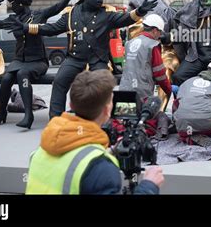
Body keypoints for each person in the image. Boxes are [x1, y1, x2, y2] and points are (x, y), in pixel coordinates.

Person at [5, 0, 158, 119]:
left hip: (97, 59)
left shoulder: (107, 14)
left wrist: (140, 11)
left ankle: (103, 118)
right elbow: (51, 28)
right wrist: (26, 27)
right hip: (74, 59)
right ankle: (55, 119)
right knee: (59, 81)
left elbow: (125, 19)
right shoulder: (71, 14)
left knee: (102, 84)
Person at [26, 70, 164, 194]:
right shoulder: (100, 167)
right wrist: (148, 186)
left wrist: (108, 152)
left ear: (71, 105)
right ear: (106, 110)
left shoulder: (42, 149)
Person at [0, 0, 77, 129]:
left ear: (20, 3)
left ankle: (28, 115)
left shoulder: (38, 15)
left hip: (37, 61)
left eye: (12, 3)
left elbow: (59, 6)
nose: (11, 6)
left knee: (23, 74)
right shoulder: (13, 19)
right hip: (19, 60)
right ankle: (2, 112)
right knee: (7, 78)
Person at [118, 14, 172, 137]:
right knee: (150, 120)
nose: (160, 36)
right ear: (154, 30)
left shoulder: (129, 43)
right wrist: (168, 90)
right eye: (159, 32)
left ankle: (127, 132)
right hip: (142, 93)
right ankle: (148, 130)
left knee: (126, 122)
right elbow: (159, 74)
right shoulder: (152, 45)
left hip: (124, 90)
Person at [173, 59, 211, 147]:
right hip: (208, 123)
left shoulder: (187, 82)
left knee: (182, 133)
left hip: (185, 123)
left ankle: (190, 139)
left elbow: (176, 104)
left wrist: (177, 120)